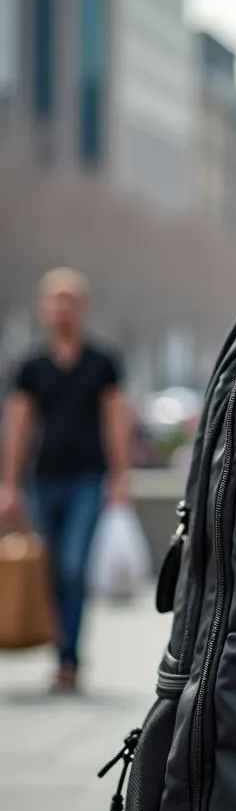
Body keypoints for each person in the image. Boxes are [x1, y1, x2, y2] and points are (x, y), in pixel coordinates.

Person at [0, 268, 132, 691]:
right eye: (53, 300)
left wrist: (121, 475)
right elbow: (18, 426)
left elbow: (116, 422)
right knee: (53, 567)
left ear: (81, 308)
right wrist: (10, 484)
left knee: (74, 566)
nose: (60, 309)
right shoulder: (31, 367)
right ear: (43, 309)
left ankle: (71, 659)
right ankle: (62, 654)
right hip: (44, 479)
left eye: (68, 300)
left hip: (88, 479)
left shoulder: (102, 363)